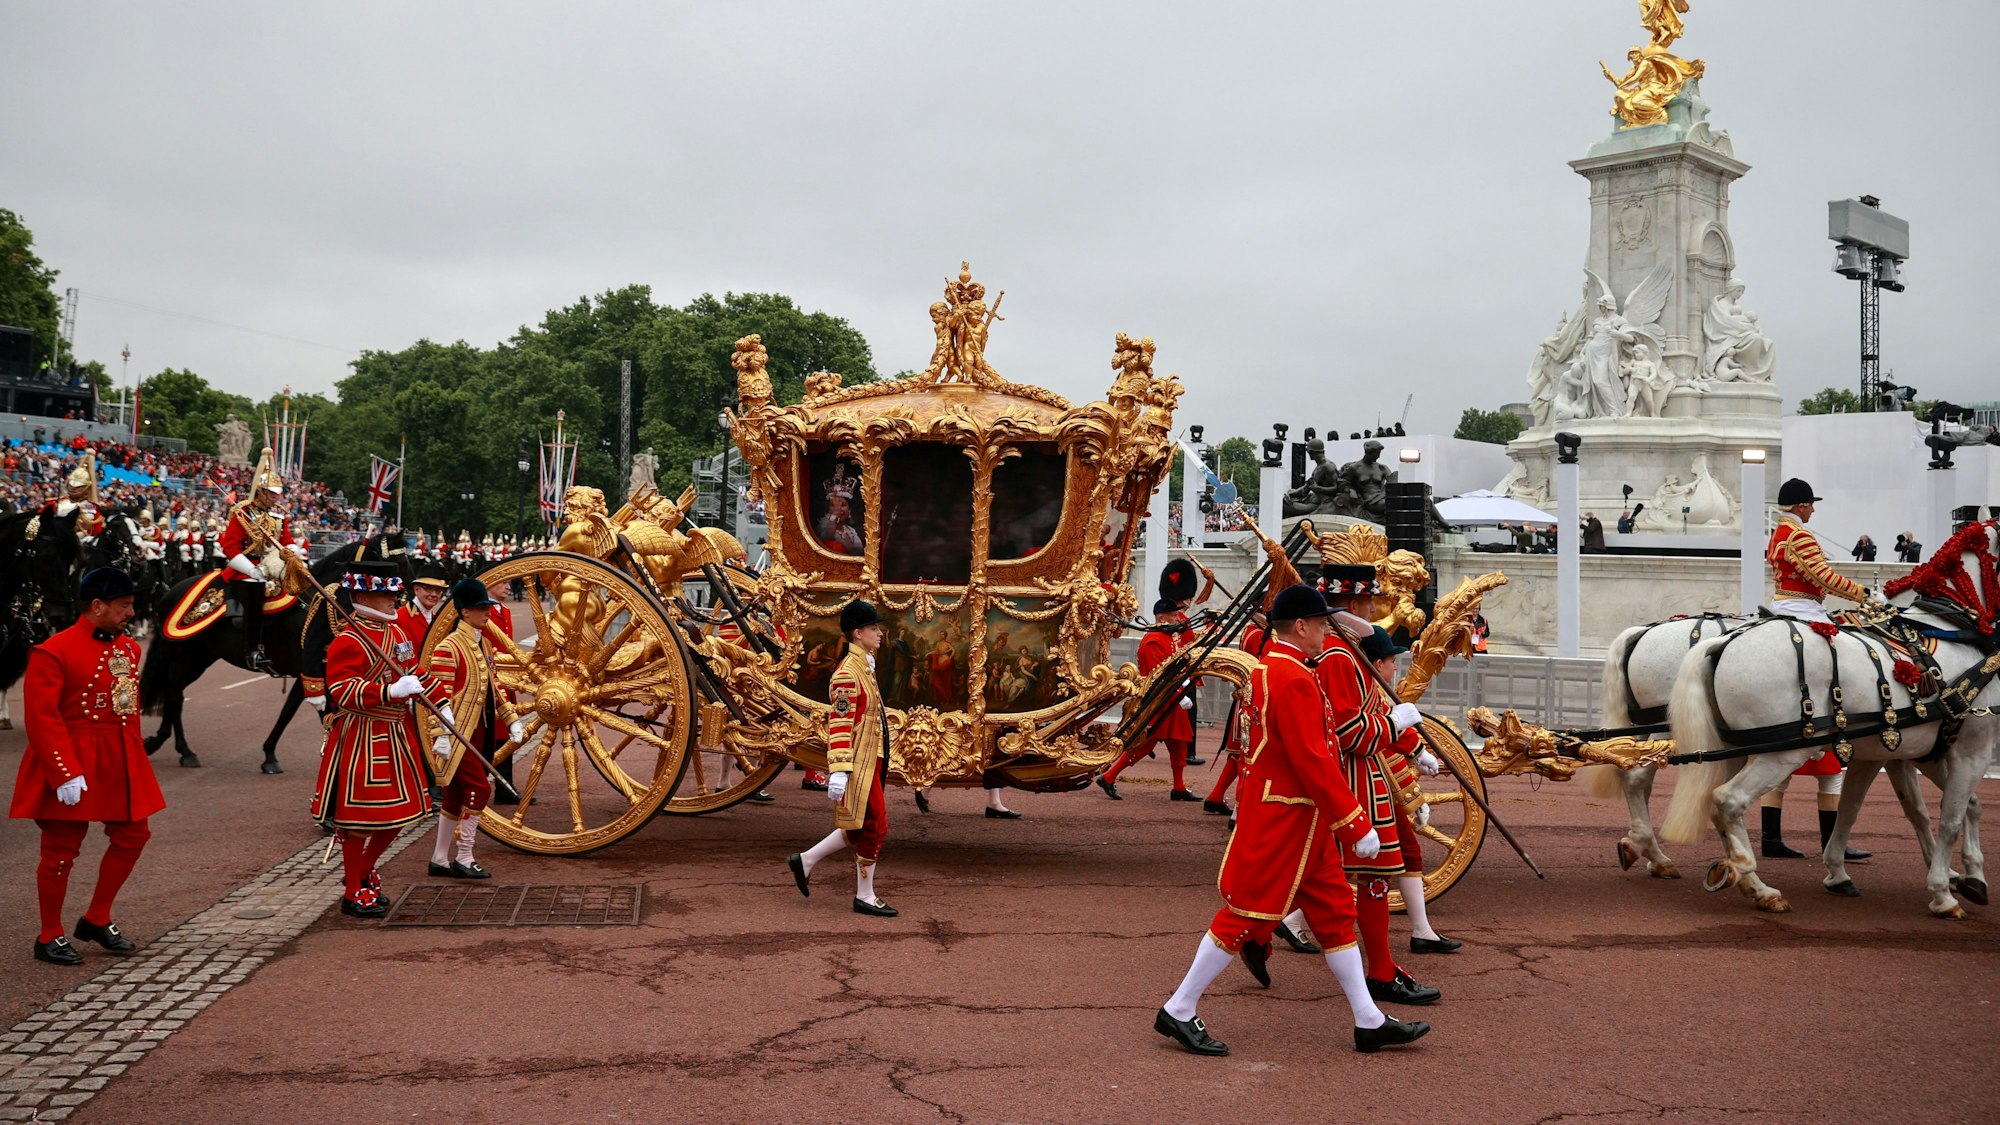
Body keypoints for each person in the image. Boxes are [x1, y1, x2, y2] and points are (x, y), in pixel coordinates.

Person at [1152, 584, 1427, 1057]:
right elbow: (1313, 759)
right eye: (1321, 624)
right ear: (1301, 626)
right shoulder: (1294, 677)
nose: (1326, 631)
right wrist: (1355, 821)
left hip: (1299, 818)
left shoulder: (1276, 668)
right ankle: (1178, 1007)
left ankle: (1368, 1019)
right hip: (1286, 815)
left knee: (1337, 915)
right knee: (1244, 914)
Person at [11, 569, 165, 965]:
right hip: (72, 758)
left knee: (134, 835)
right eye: (124, 606)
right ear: (97, 606)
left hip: (117, 757)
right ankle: (49, 935)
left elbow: (126, 710)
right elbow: (43, 719)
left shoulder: (129, 649)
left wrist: (134, 761)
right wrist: (63, 771)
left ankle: (97, 918)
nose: (131, 612)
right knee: (61, 850)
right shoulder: (53, 651)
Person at [1316, 568, 1444, 1007]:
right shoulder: (1336, 655)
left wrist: (1410, 744)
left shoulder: (1347, 650)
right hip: (1349, 778)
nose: (1375, 609)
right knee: (1349, 874)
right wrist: (1395, 726)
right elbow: (1352, 731)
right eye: (1369, 602)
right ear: (1352, 606)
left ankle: (1382, 969)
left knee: (1369, 876)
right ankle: (1379, 973)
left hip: (1364, 777)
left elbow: (1369, 706)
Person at [310, 559, 443, 918]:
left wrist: (440, 701)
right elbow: (341, 690)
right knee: (358, 822)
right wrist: (389, 691)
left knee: (401, 815)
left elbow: (413, 672)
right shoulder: (347, 640)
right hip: (361, 736)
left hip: (396, 733)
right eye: (386, 596)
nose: (394, 601)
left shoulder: (397, 634)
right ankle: (354, 889)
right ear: (365, 596)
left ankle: (363, 870)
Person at [1760, 477, 1873, 863]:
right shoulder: (1800, 534)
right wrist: (1862, 594)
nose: (1814, 510)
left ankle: (1772, 839)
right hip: (1804, 611)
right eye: (1811, 504)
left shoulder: (1780, 533)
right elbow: (1823, 577)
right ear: (1803, 505)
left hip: (1784, 605)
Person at [786, 600, 898, 917]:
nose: (879, 633)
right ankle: (864, 895)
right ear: (858, 633)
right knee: (876, 825)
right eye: (874, 628)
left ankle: (805, 860)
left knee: (861, 823)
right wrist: (839, 770)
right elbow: (840, 724)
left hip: (871, 756)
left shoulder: (863, 665)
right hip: (857, 761)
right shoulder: (848, 673)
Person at [1359, 625, 1460, 957]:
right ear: (1377, 662)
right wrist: (1415, 752)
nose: (1395, 668)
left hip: (1380, 784)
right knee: (1348, 867)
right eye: (1391, 661)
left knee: (1407, 854)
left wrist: (1417, 750)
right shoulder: (1366, 691)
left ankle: (1423, 930)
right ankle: (1293, 921)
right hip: (1367, 786)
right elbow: (1380, 734)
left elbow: (1389, 729)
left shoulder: (1372, 689)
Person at [423, 579, 524, 880]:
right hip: (456, 735)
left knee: (455, 794)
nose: (487, 613)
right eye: (481, 609)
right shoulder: (448, 647)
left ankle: (440, 859)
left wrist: (512, 718)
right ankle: (464, 856)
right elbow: (436, 698)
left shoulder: (483, 643)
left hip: (477, 730)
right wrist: (440, 735)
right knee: (480, 789)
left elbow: (494, 688)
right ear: (465, 612)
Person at [1097, 559, 1212, 802]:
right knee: (1146, 744)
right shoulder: (1153, 642)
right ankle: (1109, 776)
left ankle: (1179, 787)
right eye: (1172, 617)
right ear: (1162, 618)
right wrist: (1179, 691)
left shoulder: (1165, 637)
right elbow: (1160, 675)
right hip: (1161, 699)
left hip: (1173, 696)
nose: (1176, 620)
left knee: (1179, 742)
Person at [218, 448, 297, 674]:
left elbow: (287, 541)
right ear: (261, 492)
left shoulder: (278, 515)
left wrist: (293, 553)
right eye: (272, 493)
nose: (276, 497)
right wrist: (251, 570)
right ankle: (252, 650)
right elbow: (230, 547)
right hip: (247, 568)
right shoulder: (242, 512)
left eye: (277, 494)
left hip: (274, 565)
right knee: (254, 596)